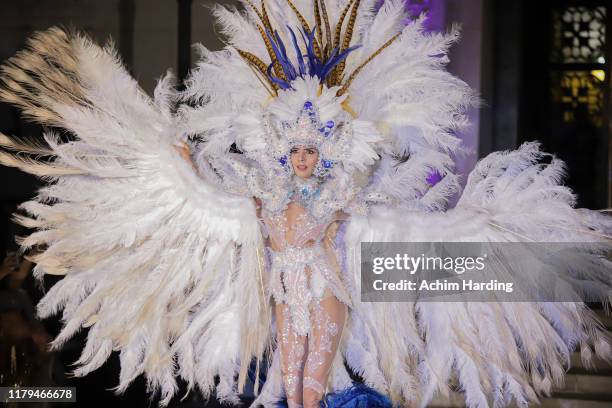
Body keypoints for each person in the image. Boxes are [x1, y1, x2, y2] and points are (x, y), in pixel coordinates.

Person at [0, 1, 611, 407]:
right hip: (283, 306)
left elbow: (409, 243)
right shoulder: (260, 202)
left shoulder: (344, 208)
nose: (301, 159)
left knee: (310, 389)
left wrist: (521, 258)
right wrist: (180, 163)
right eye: (292, 149)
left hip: (323, 302)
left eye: (310, 150)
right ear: (281, 149)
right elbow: (207, 202)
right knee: (290, 387)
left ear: (326, 153)